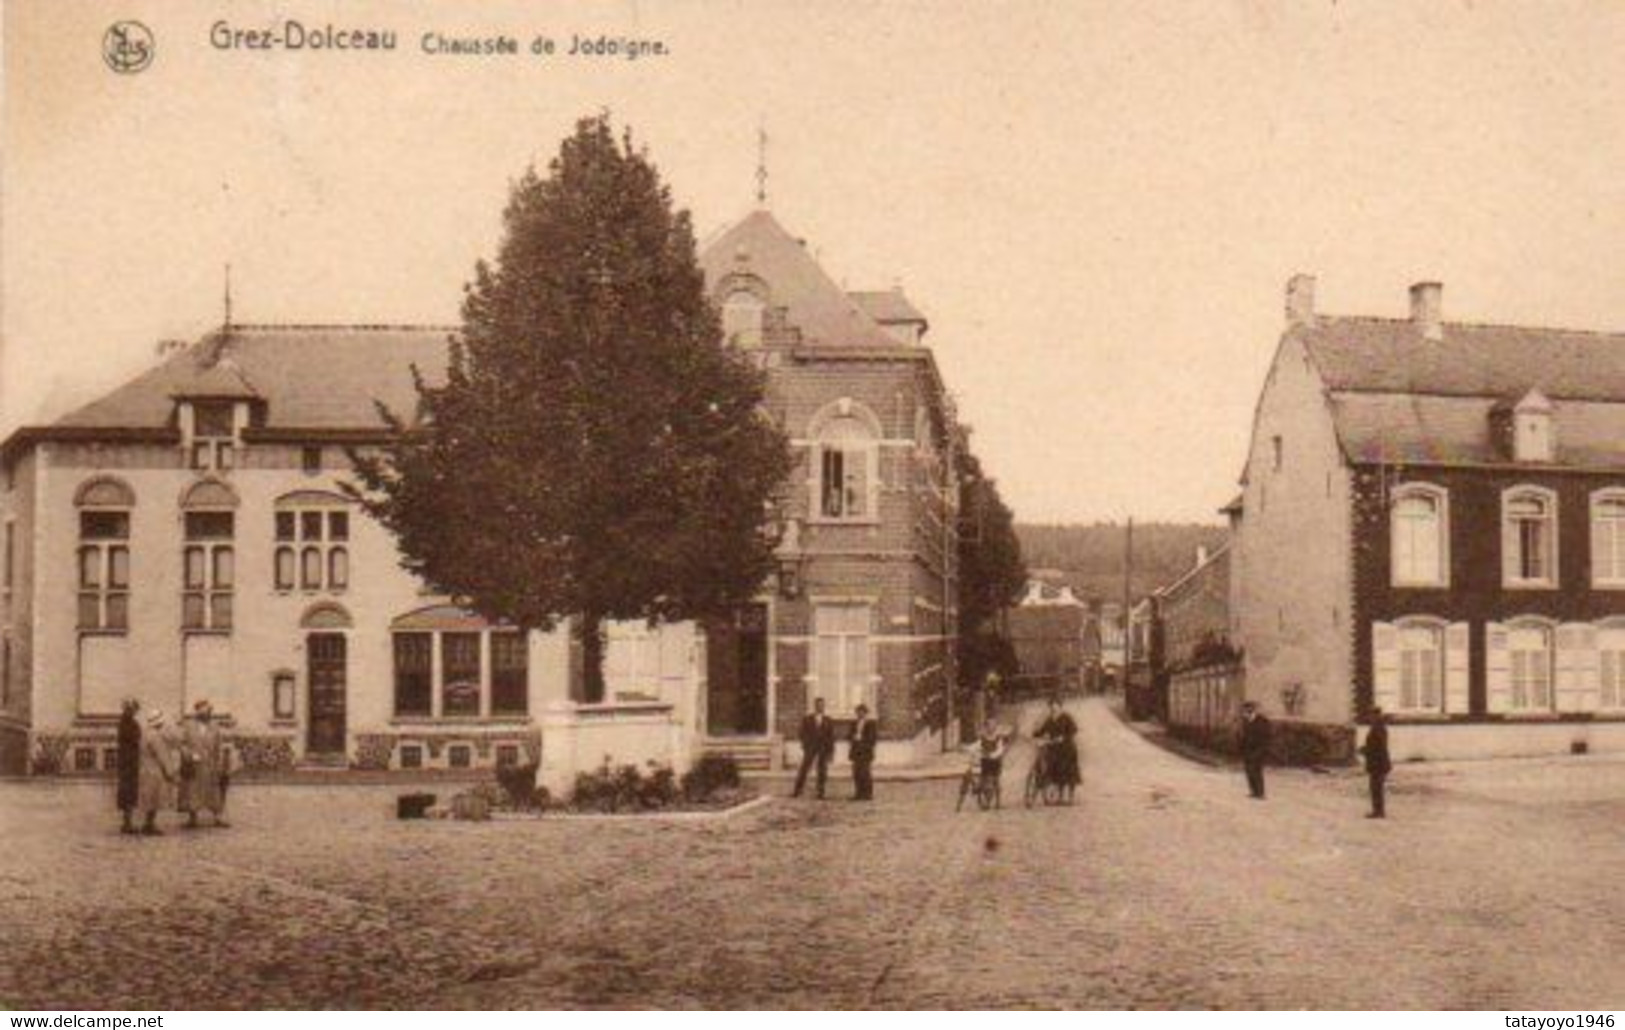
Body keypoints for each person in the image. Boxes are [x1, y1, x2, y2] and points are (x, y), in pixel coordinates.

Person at [180, 700, 230, 828]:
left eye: (208, 710)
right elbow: (182, 744)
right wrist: (190, 755)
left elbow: (219, 745)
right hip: (194, 765)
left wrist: (220, 764)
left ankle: (217, 817)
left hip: (210, 764)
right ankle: (192, 818)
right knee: (193, 790)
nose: (205, 713)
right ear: (196, 711)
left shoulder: (215, 726)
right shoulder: (188, 726)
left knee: (214, 790)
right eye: (202, 710)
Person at [136, 709, 176, 836]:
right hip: (155, 770)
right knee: (154, 797)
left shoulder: (144, 734)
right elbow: (162, 755)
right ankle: (149, 824)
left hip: (144, 768)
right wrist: (170, 772)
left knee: (147, 797)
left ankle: (147, 824)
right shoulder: (156, 736)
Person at [1034, 697, 1082, 803]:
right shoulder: (1050, 719)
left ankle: (1070, 797)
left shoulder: (1066, 717)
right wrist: (1035, 734)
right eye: (1051, 706)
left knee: (1070, 773)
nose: (1053, 708)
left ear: (1060, 706)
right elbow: (1042, 730)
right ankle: (1060, 797)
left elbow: (1074, 730)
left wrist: (1064, 737)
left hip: (1068, 748)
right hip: (1055, 749)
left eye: (1056, 705)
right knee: (1058, 773)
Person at [792, 697, 836, 799]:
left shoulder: (828, 720)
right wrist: (805, 745)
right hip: (810, 747)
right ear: (815, 706)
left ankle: (821, 792)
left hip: (823, 748)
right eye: (818, 705)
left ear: (824, 706)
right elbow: (802, 733)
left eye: (822, 705)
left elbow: (831, 737)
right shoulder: (807, 719)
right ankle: (797, 790)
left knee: (822, 771)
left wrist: (831, 751)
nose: (820, 707)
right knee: (804, 768)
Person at [115, 698, 142, 835]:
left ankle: (128, 821)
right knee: (128, 793)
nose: (134, 711)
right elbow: (134, 740)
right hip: (128, 762)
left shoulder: (128, 722)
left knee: (130, 792)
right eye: (133, 709)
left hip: (130, 761)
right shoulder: (127, 723)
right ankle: (127, 823)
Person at [1362, 706, 1392, 819]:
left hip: (1378, 763)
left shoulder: (1378, 728)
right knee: (1375, 788)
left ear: (1376, 715)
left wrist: (1365, 750)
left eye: (1371, 715)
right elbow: (1375, 745)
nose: (1370, 718)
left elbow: (1378, 747)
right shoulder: (1378, 727)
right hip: (1377, 762)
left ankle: (1378, 811)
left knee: (1376, 788)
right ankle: (1378, 810)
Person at [1239, 701, 1271, 800]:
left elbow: (1266, 737)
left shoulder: (1263, 721)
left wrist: (1262, 750)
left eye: (1244, 711)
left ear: (1250, 711)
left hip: (1259, 750)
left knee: (1257, 770)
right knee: (1249, 770)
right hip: (1248, 751)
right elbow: (1244, 737)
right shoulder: (1246, 721)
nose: (1242, 714)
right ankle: (1254, 791)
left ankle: (1260, 792)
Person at [976, 718, 1007, 809]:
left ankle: (998, 801)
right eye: (988, 726)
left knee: (996, 780)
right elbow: (977, 746)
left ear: (995, 727)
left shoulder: (998, 738)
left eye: (993, 726)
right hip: (985, 761)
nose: (990, 728)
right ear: (986, 727)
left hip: (995, 762)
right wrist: (968, 749)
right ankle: (985, 797)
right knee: (983, 779)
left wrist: (993, 755)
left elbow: (1000, 750)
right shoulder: (983, 738)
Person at [849, 703, 878, 801]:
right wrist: (853, 738)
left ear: (866, 713)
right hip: (856, 752)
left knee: (865, 773)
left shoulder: (871, 724)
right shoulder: (854, 724)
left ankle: (868, 794)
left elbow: (872, 739)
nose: (860, 714)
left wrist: (861, 740)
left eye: (862, 712)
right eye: (858, 712)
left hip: (865, 752)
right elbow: (849, 736)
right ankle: (858, 793)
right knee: (856, 773)